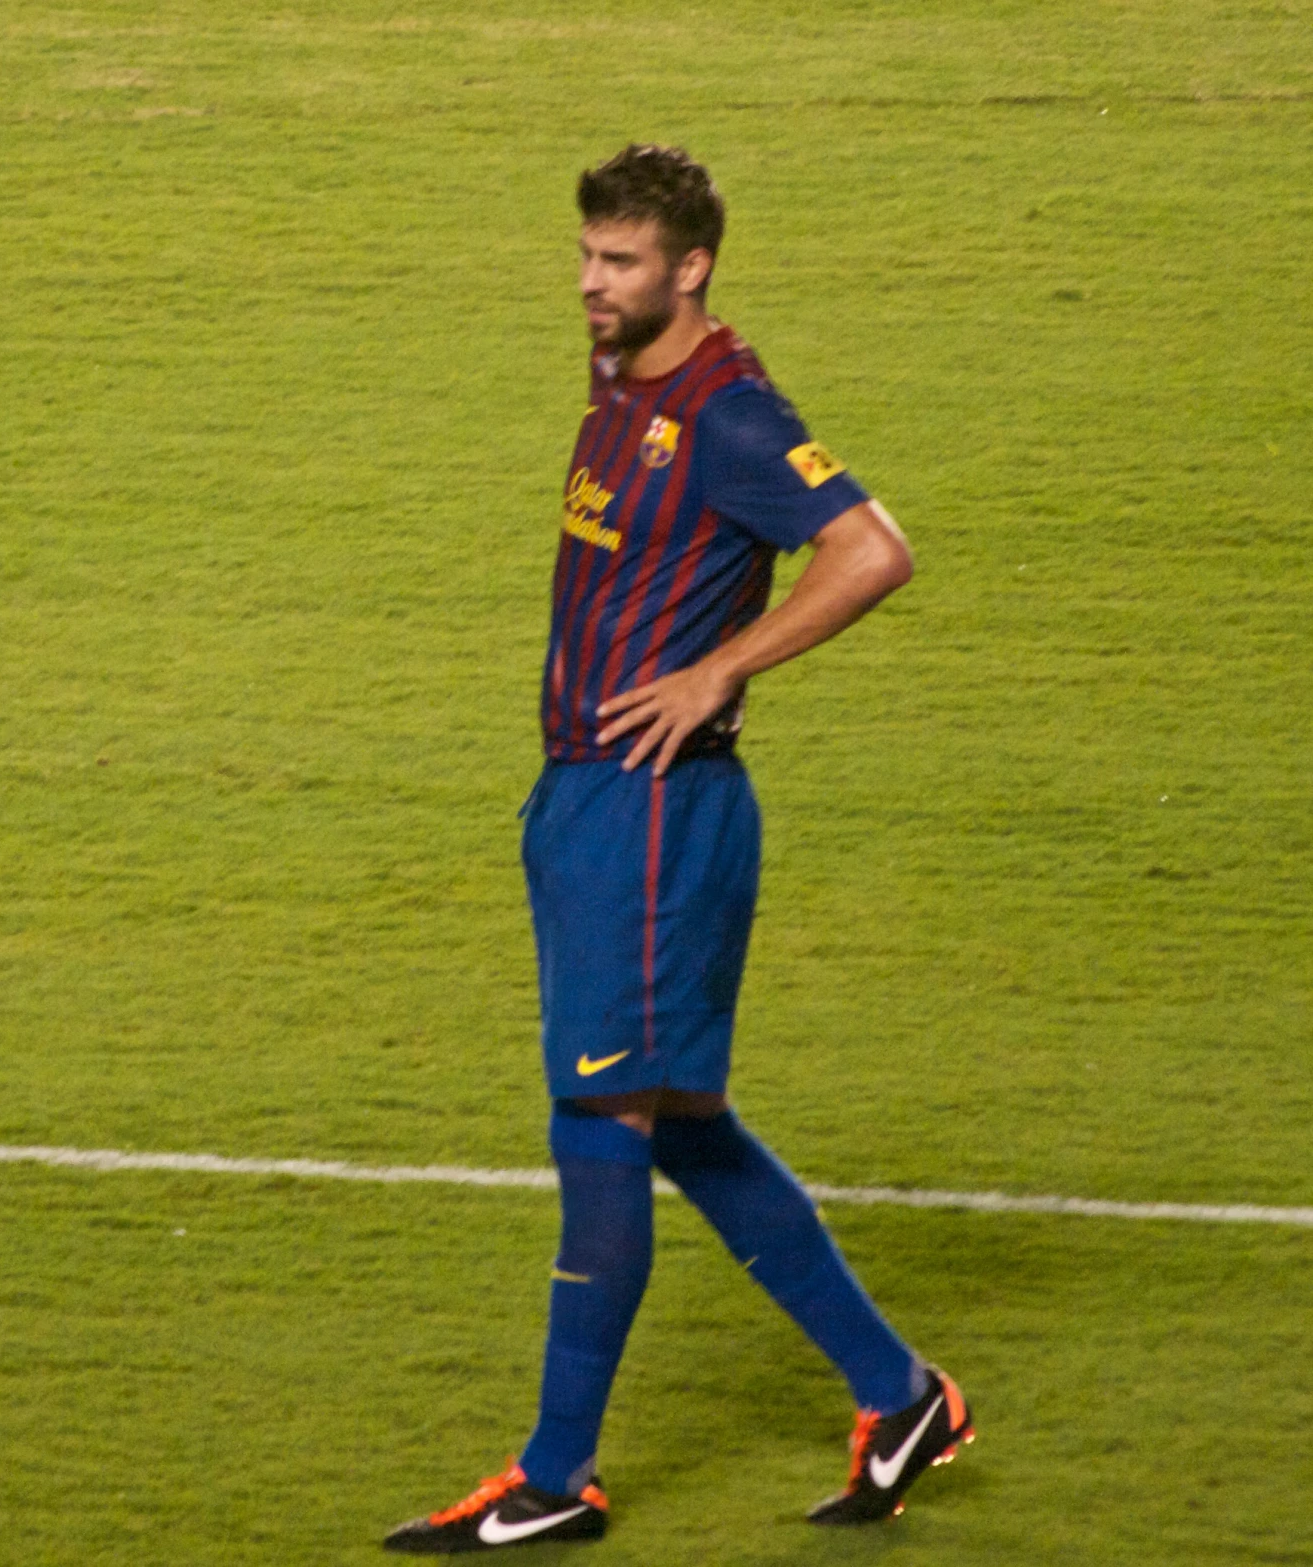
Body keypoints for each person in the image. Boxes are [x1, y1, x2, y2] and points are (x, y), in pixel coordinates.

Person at [382, 144, 972, 1554]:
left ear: (689, 267)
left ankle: (552, 1475)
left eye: (621, 262)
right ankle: (900, 1397)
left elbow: (870, 548)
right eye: (586, 256)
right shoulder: (621, 378)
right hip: (586, 801)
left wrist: (720, 668)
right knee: (678, 1121)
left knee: (599, 1122)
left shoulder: (730, 416)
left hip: (654, 812)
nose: (591, 284)